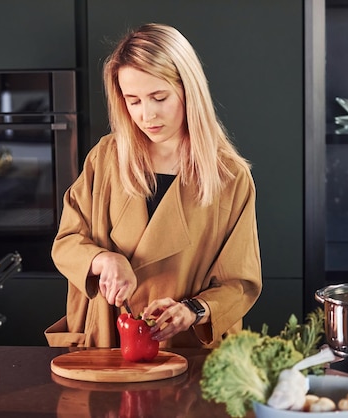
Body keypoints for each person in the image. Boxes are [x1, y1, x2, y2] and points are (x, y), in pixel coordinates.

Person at [46, 23, 262, 348]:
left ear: (189, 90)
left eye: (159, 97)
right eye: (133, 101)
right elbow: (66, 242)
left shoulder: (229, 177)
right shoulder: (105, 157)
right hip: (106, 343)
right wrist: (105, 260)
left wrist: (192, 310)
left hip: (185, 351)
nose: (147, 115)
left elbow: (240, 283)